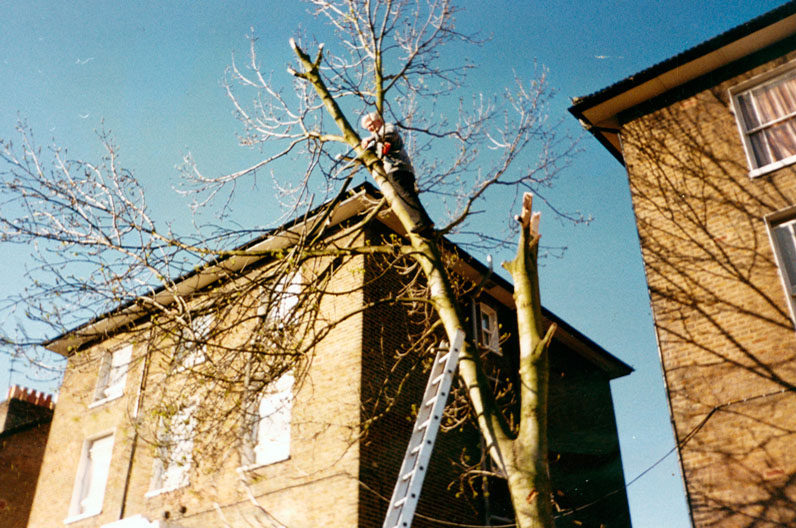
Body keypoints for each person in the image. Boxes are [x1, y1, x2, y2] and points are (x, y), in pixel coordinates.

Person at [360, 112, 434, 236]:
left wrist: (371, 139)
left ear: (378, 120)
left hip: (397, 168)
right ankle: (426, 228)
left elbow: (389, 135)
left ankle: (422, 222)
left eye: (370, 125)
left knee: (405, 194)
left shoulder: (387, 128)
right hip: (398, 168)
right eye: (367, 128)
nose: (370, 129)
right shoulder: (379, 137)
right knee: (406, 195)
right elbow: (379, 148)